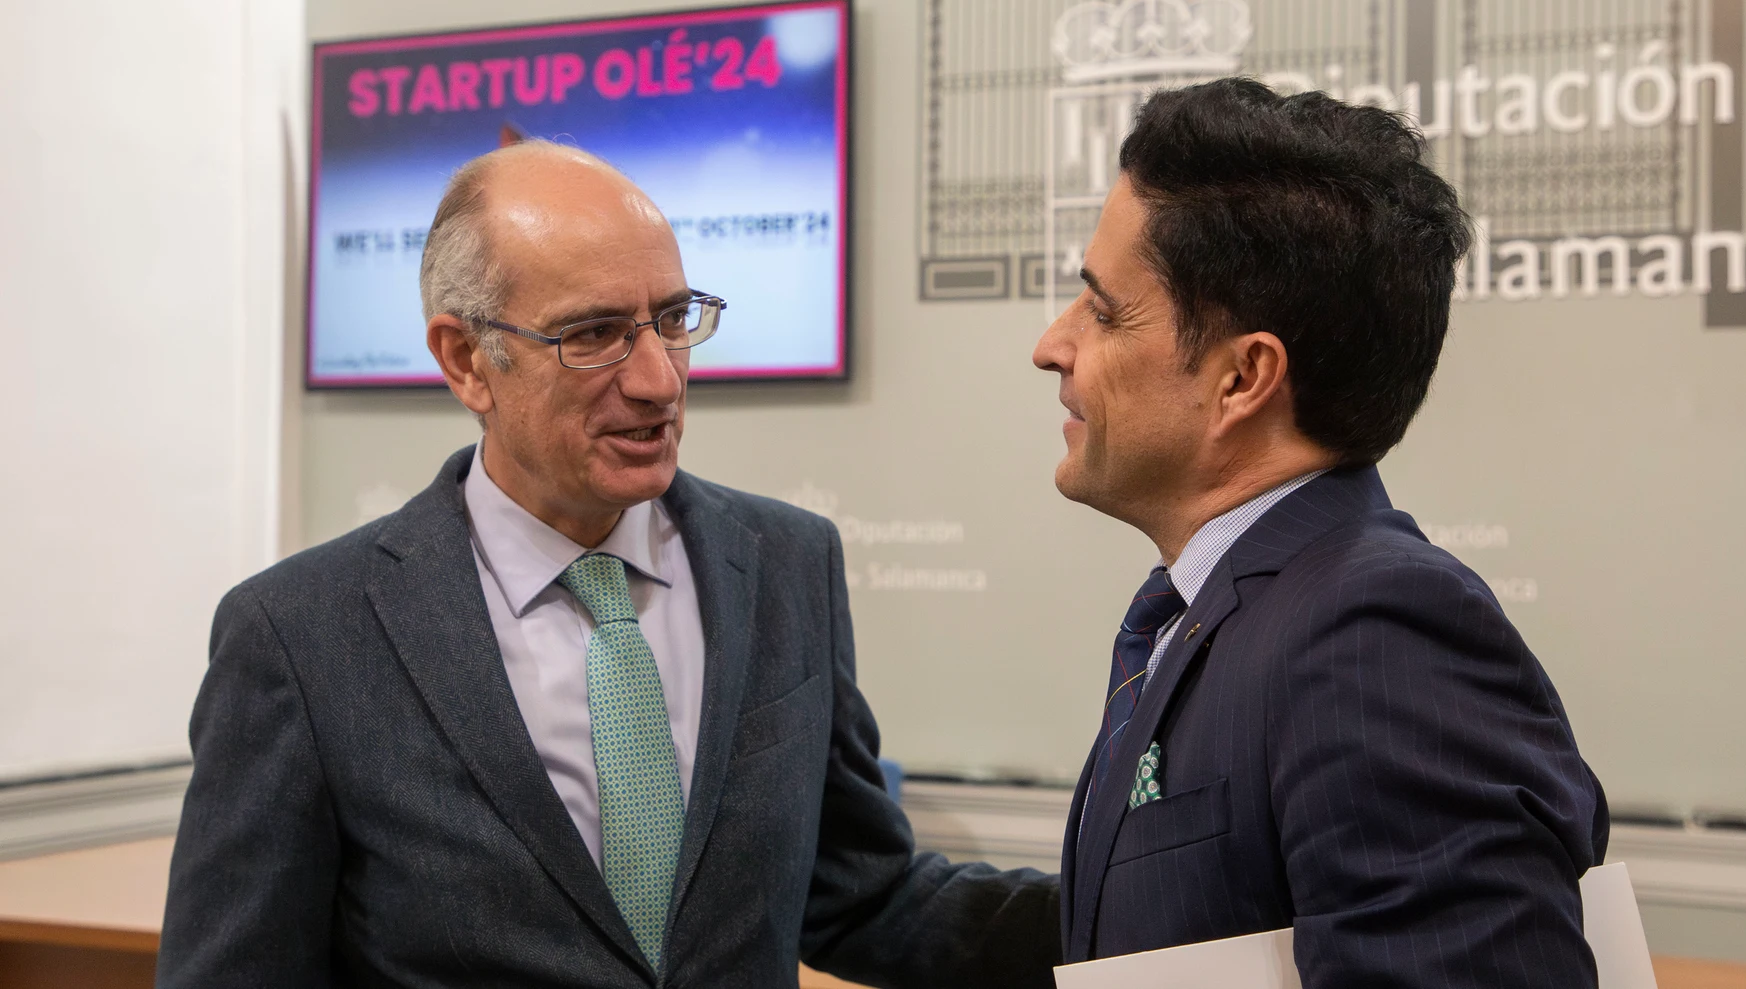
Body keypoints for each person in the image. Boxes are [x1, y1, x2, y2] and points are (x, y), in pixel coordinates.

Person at [158, 140, 1059, 988]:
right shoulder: (302, 637)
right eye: (593, 335)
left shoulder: (785, 564)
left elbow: (858, 889)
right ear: (467, 359)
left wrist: (1136, 907)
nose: (660, 379)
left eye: (672, 319)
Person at [1032, 79, 1609, 987]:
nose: (1052, 344)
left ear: (1243, 377)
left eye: (1104, 311)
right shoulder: (1229, 612)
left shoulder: (1374, 630)